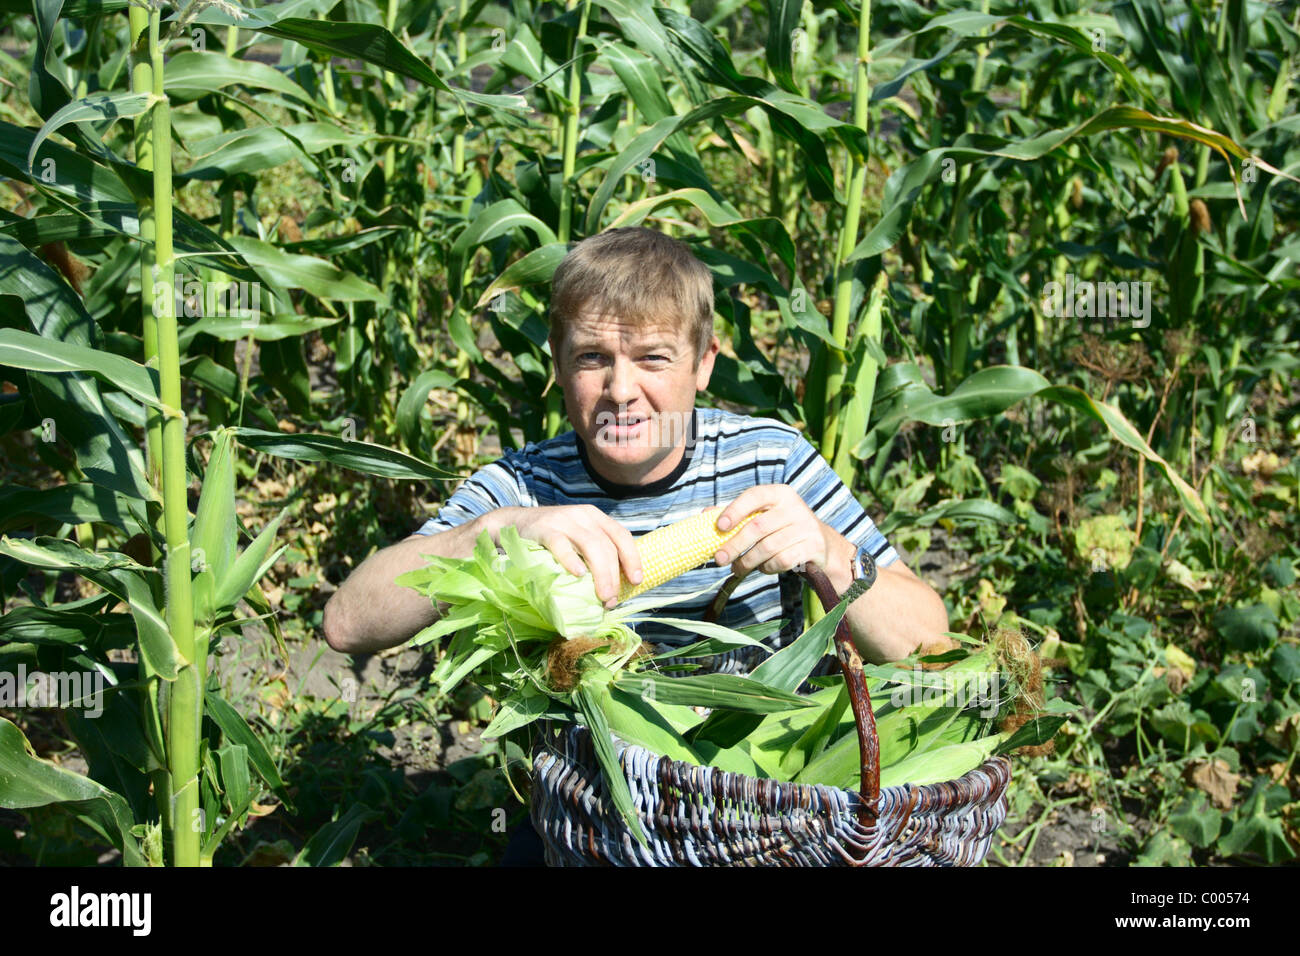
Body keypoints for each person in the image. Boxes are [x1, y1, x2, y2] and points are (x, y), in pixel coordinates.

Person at [322, 226, 950, 864]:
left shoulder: (772, 460)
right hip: (593, 808)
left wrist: (829, 549)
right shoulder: (524, 490)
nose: (621, 391)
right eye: (593, 357)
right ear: (558, 363)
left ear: (704, 362)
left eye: (653, 357)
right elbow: (347, 623)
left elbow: (928, 639)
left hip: (765, 808)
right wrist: (489, 533)